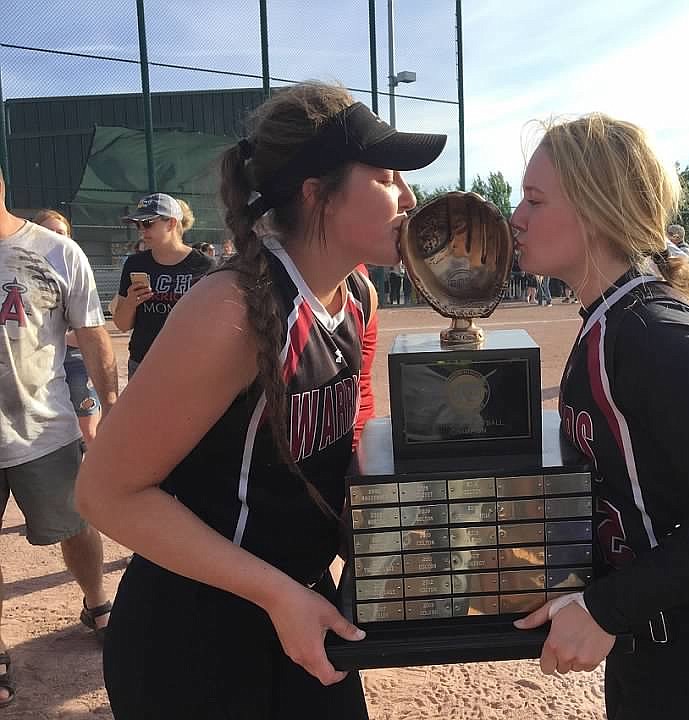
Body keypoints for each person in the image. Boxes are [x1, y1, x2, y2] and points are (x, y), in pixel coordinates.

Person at [75, 82, 446, 719]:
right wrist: (276, 593)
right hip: (198, 633)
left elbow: (343, 435)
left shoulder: (357, 295)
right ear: (316, 192)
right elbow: (105, 493)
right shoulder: (233, 311)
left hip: (299, 601)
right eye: (386, 175)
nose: (408, 196)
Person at [509, 114, 689, 718]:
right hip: (659, 645)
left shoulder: (651, 332)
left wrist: (605, 609)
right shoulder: (610, 320)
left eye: (535, 200)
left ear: (597, 210)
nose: (517, 217)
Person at [0, 168, 119, 708]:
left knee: (75, 524)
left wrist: (112, 408)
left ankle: (96, 601)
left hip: (42, 426)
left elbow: (93, 335)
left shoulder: (54, 251)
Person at [111, 193, 214, 378]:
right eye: (138, 224)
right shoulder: (135, 264)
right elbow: (122, 324)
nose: (142, 230)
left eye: (148, 223)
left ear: (172, 223)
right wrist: (130, 303)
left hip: (190, 363)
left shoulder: (204, 265)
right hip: (143, 361)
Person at [33, 210, 101, 446]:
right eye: (47, 232)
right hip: (39, 365)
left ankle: (92, 482)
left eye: (61, 233)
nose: (55, 237)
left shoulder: (76, 270)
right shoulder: (20, 271)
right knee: (46, 437)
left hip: (74, 362)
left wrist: (53, 337)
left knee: (89, 434)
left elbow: (89, 332)